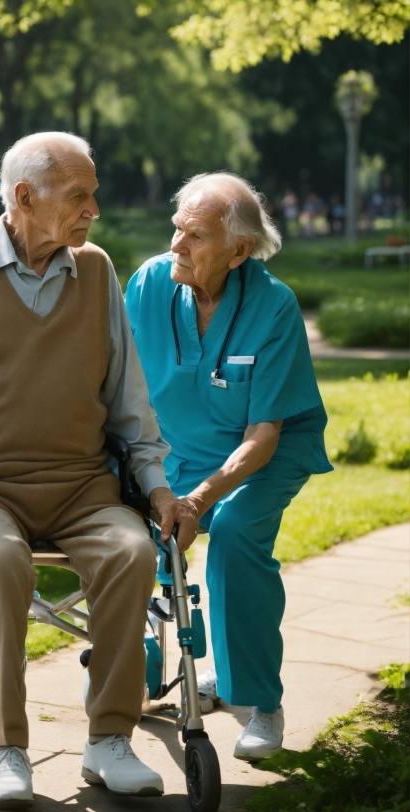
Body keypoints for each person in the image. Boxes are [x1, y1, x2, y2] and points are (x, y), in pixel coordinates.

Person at [0, 132, 197, 809]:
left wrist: (157, 489)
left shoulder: (94, 271)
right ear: (25, 198)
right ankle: (5, 751)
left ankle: (108, 740)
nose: (95, 209)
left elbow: (128, 404)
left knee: (130, 550)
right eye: (80, 195)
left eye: (93, 193)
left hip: (82, 485)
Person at [125, 172, 333, 762]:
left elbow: (263, 435)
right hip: (177, 446)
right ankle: (137, 672)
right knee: (121, 531)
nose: (175, 246)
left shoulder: (273, 306)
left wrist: (198, 499)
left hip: (264, 448)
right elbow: (110, 378)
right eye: (175, 229)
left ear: (239, 250)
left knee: (237, 533)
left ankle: (259, 700)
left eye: (194, 236)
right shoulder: (147, 285)